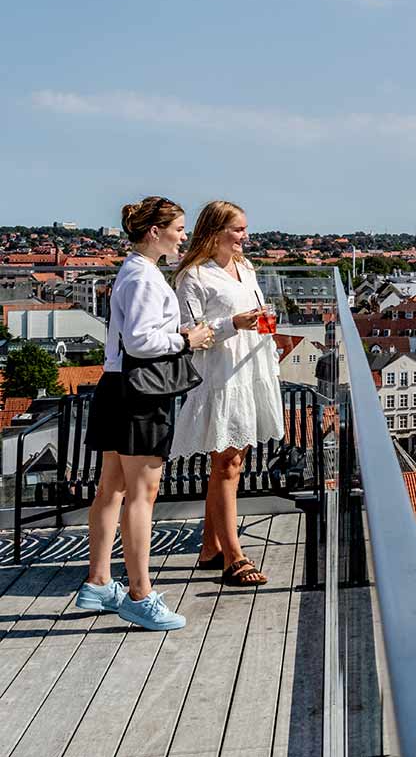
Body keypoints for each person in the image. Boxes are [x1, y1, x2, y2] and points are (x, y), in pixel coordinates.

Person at [80, 197, 215, 631]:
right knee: (142, 495)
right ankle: (140, 594)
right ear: (154, 231)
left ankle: (99, 582)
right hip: (140, 392)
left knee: (112, 489)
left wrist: (173, 335)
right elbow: (140, 342)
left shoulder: (134, 272)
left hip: (119, 386)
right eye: (177, 228)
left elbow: (133, 337)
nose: (183, 237)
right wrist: (186, 340)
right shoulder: (143, 277)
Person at [170, 200, 284, 586]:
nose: (245, 236)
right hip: (222, 377)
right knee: (227, 465)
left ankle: (210, 547)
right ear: (215, 232)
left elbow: (252, 313)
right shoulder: (193, 276)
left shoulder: (245, 267)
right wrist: (233, 324)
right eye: (238, 230)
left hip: (251, 368)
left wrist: (262, 326)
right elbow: (190, 335)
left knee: (232, 464)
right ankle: (233, 556)